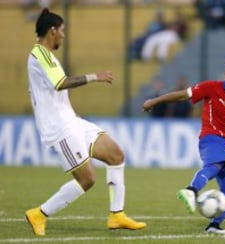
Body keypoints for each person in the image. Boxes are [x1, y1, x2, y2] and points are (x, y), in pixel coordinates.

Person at [25, 8, 146, 237]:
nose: (63, 35)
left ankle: (117, 215)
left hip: (71, 121)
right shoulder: (39, 53)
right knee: (87, 180)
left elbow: (54, 94)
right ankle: (40, 213)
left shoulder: (47, 56)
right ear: (52, 31)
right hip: (59, 129)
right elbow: (60, 83)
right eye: (61, 31)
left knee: (115, 154)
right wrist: (95, 77)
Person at [143, 58, 225, 234]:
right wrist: (155, 101)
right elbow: (183, 95)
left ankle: (214, 225)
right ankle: (191, 190)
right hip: (211, 138)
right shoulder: (211, 87)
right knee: (222, 163)